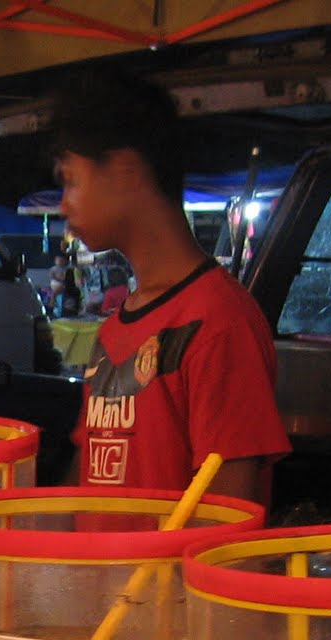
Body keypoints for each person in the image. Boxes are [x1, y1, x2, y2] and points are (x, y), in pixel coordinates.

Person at [50, 68, 289, 503]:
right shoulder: (114, 331)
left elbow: (230, 521)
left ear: (124, 171)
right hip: (102, 574)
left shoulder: (218, 322)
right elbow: (85, 485)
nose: (63, 203)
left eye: (70, 178)